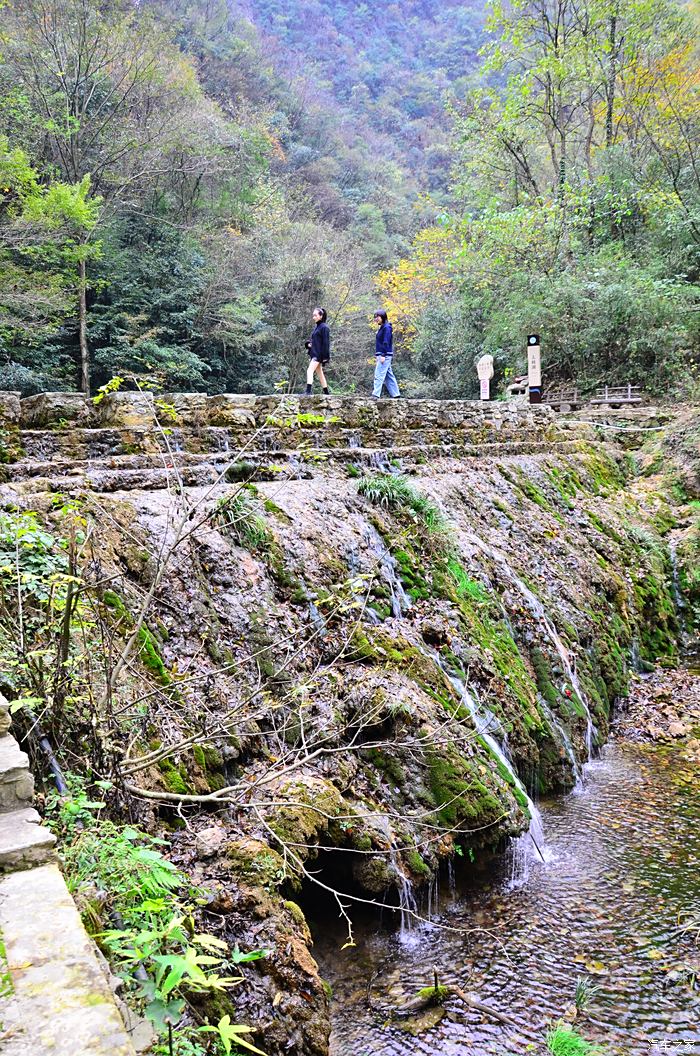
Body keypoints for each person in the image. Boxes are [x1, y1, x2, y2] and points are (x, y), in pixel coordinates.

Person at [372, 310, 400, 399]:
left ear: (383, 317)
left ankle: (375, 394)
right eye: (375, 317)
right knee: (388, 375)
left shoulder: (387, 327)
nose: (376, 319)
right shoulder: (382, 327)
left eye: (378, 317)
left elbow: (386, 342)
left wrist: (383, 355)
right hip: (382, 354)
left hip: (385, 354)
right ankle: (396, 394)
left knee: (379, 374)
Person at [304, 307, 331, 395]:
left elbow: (326, 343)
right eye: (313, 315)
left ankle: (308, 391)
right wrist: (309, 344)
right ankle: (326, 392)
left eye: (315, 315)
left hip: (318, 355)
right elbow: (316, 341)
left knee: (309, 370)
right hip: (315, 353)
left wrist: (325, 357)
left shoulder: (324, 327)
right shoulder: (317, 327)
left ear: (321, 316)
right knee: (320, 373)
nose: (313, 317)